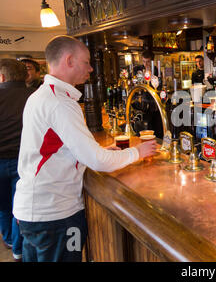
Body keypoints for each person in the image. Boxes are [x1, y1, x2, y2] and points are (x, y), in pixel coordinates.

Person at [13, 35, 157, 262]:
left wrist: (101, 151)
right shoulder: (59, 102)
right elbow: (97, 161)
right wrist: (138, 152)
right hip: (55, 215)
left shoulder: (41, 95)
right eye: (86, 62)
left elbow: (54, 149)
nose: (91, 68)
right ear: (69, 60)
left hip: (34, 209)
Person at [0, 59, 35, 262]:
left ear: (2, 77)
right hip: (25, 161)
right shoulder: (34, 96)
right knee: (19, 207)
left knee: (4, 206)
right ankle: (18, 248)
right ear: (26, 76)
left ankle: (9, 240)